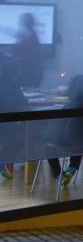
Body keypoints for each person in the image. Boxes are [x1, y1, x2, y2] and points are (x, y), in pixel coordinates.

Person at [0, 52, 28, 180]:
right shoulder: (11, 85)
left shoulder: (5, 83)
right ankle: (5, 161)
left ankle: (8, 163)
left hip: (6, 123)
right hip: (8, 124)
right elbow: (22, 104)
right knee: (34, 134)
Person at [12, 13, 42, 90]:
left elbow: (27, 56)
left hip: (27, 73)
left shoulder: (29, 36)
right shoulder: (29, 34)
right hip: (30, 72)